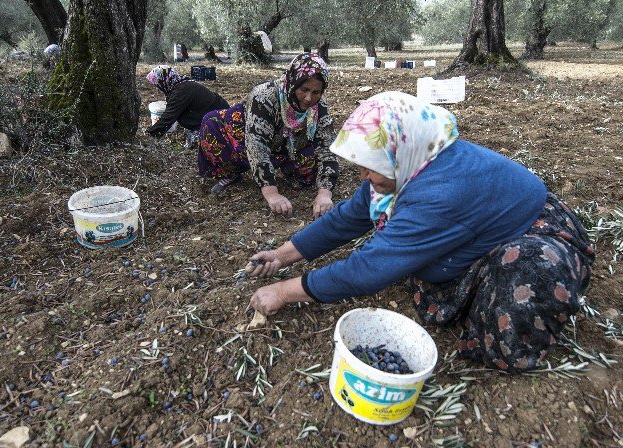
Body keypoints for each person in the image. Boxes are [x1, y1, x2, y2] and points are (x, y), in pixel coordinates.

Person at [245, 91, 595, 374]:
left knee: (523, 282)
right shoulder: (409, 159)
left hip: (531, 231)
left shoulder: (438, 191)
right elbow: (347, 218)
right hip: (476, 219)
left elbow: (366, 271)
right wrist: (281, 255)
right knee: (416, 259)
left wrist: (283, 292)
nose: (366, 176)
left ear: (399, 148)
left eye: (371, 166)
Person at [198, 53, 339, 218]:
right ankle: (231, 174)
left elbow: (327, 146)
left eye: (316, 92)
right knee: (212, 128)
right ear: (293, 82)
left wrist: (325, 193)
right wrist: (272, 193)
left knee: (308, 175)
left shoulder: (318, 104)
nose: (309, 98)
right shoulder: (264, 96)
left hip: (285, 141)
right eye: (304, 89)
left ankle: (282, 162)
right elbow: (256, 145)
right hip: (241, 133)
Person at [145, 66, 230, 147]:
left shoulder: (181, 91)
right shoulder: (181, 84)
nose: (158, 88)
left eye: (157, 84)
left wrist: (149, 134)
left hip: (219, 121)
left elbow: (169, 116)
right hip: (213, 114)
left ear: (164, 80)